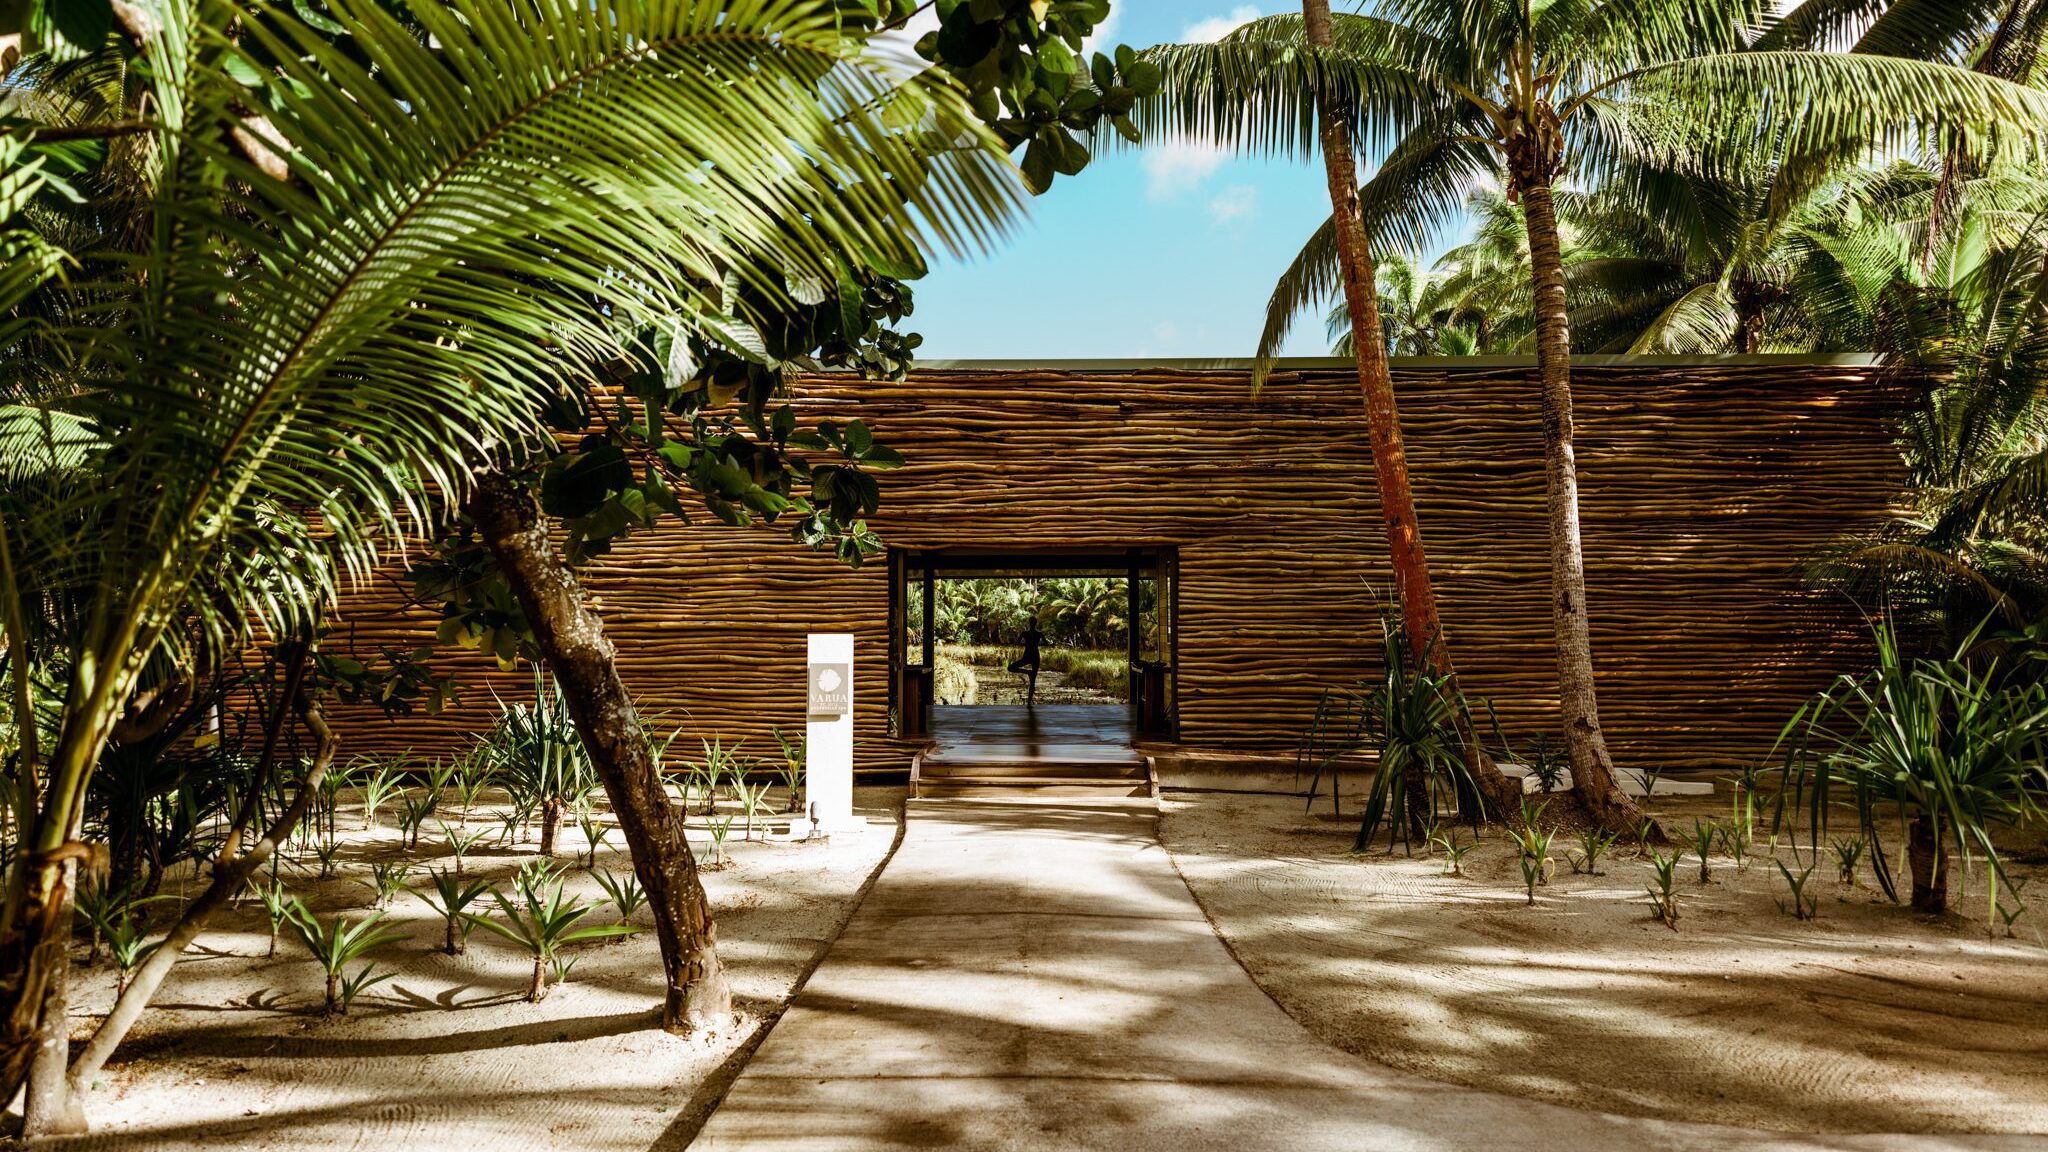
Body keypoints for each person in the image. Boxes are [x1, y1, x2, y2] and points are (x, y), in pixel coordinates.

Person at [1007, 622, 1045, 706]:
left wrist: (1027, 644)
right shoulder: (1039, 634)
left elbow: (1017, 643)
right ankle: (1028, 702)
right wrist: (1036, 644)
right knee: (1032, 681)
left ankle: (1029, 702)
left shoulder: (1025, 633)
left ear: (1029, 624)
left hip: (1028, 655)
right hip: (1035, 656)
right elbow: (1046, 644)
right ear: (1035, 624)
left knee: (1010, 668)